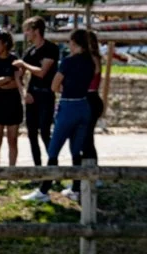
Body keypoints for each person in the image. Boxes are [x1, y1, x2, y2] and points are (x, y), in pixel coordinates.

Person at [25, 28, 96, 204]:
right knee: (76, 150)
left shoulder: (68, 61)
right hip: (83, 106)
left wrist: (65, 88)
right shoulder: (90, 61)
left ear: (74, 43)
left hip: (68, 107)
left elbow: (54, 86)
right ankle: (76, 188)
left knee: (53, 149)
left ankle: (44, 189)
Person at [12, 17, 60, 170]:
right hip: (32, 96)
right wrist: (23, 93)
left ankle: (53, 169)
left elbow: (42, 72)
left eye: (27, 30)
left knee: (45, 132)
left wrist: (24, 64)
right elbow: (18, 75)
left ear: (36, 30)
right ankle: (38, 170)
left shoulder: (51, 49)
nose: (25, 34)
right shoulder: (30, 51)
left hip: (46, 95)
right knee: (32, 134)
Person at [70, 29, 106, 199]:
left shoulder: (92, 59)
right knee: (86, 140)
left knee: (85, 140)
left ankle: (88, 177)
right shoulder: (91, 58)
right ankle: (89, 174)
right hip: (87, 99)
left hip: (89, 99)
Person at [0, 29, 24, 168]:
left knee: (12, 141)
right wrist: (5, 79)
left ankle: (11, 171)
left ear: (5, 43)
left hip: (13, 105)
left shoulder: (15, 61)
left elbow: (17, 83)